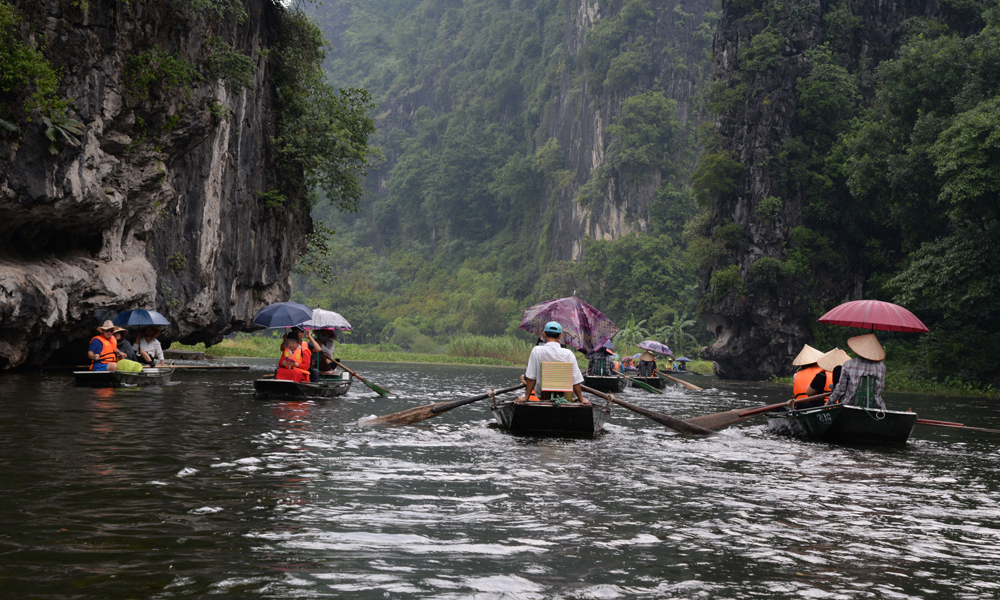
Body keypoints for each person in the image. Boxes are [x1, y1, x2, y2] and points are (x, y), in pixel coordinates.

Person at [520, 321, 590, 405]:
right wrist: (581, 399)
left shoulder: (536, 351)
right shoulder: (568, 353)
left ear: (544, 334)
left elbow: (531, 377)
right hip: (565, 397)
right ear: (560, 336)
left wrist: (526, 397)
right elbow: (575, 380)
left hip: (542, 396)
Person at [827, 334, 887, 409]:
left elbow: (840, 389)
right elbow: (880, 388)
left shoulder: (848, 364)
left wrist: (829, 403)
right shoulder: (882, 367)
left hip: (848, 406)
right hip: (875, 407)